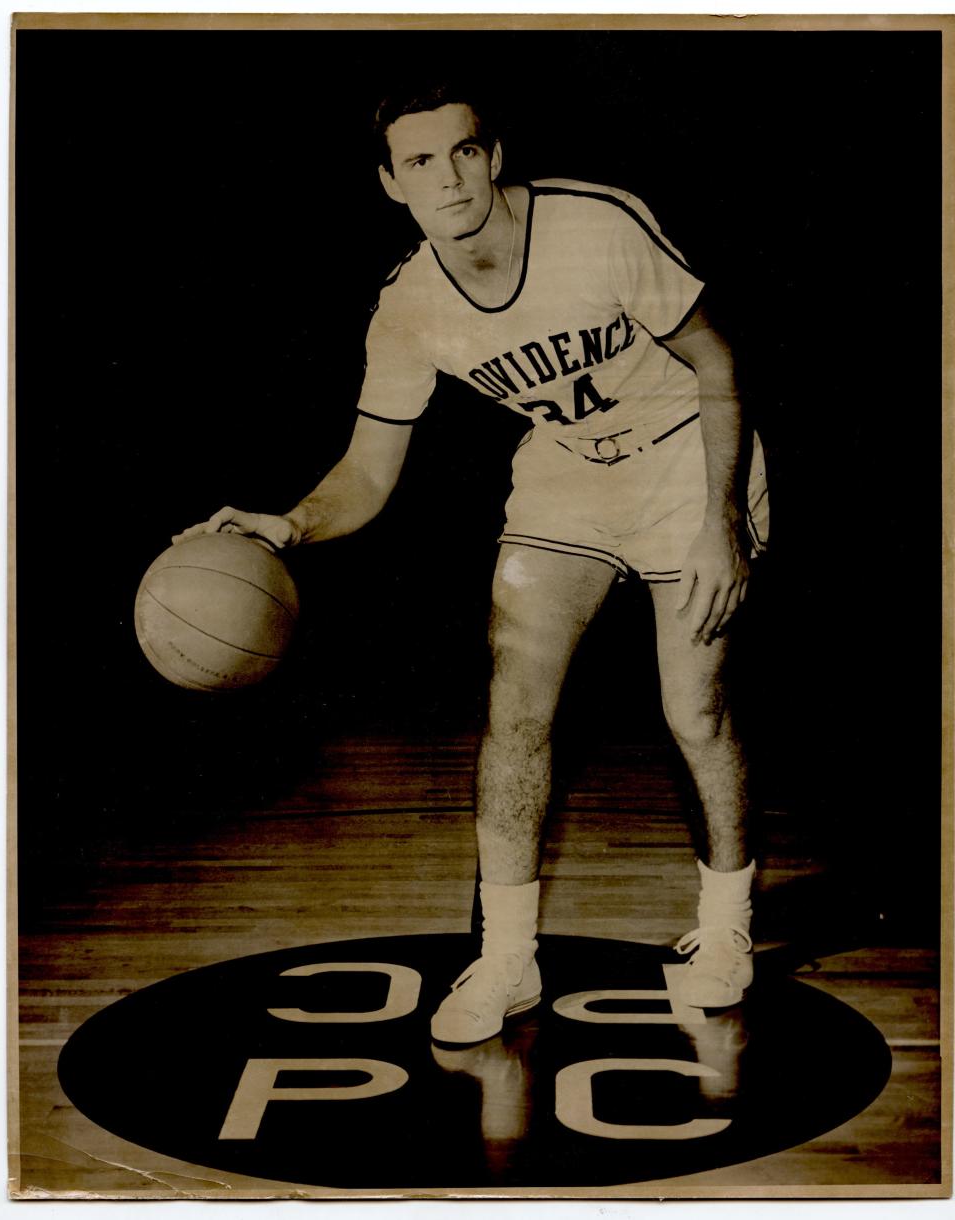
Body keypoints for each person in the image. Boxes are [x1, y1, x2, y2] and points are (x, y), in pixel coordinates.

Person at [175, 81, 769, 1045]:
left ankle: (726, 929)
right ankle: (506, 961)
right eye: (418, 161)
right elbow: (368, 472)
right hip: (569, 477)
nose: (444, 176)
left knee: (692, 707)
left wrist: (721, 523)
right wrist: (284, 526)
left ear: (492, 157)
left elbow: (720, 364)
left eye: (461, 152)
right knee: (516, 701)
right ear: (390, 184)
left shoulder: (594, 224)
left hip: (685, 459)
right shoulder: (409, 308)